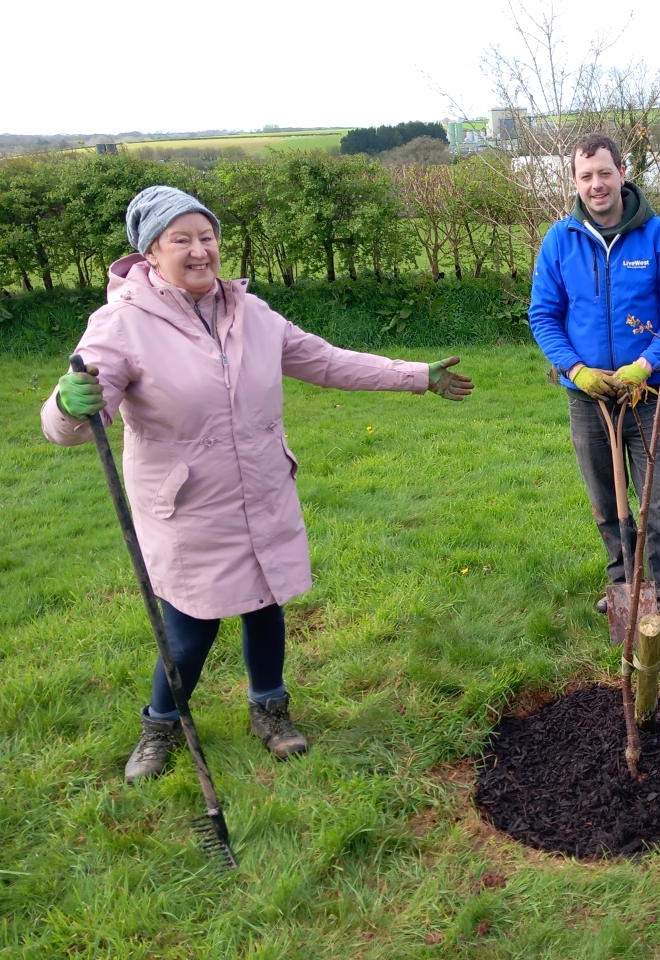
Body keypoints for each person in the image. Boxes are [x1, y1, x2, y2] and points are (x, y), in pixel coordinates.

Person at [42, 185, 473, 783]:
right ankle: (161, 725)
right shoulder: (120, 325)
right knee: (190, 628)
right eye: (181, 240)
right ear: (150, 253)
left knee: (266, 605)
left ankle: (269, 707)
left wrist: (414, 375)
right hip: (189, 505)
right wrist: (67, 406)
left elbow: (324, 360)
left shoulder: (252, 312)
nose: (199, 251)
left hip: (263, 488)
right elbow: (77, 421)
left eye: (207, 236)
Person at [528, 134, 660, 633]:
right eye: (585, 176)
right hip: (587, 395)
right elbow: (544, 315)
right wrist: (574, 369)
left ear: (622, 172)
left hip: (646, 394)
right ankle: (624, 582)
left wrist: (646, 365)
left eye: (604, 173)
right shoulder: (561, 239)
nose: (596, 184)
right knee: (606, 499)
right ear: (576, 182)